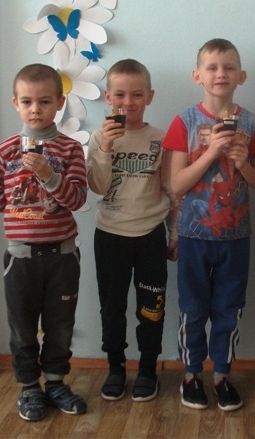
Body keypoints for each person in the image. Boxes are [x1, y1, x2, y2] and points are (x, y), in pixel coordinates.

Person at [163, 38, 255, 411]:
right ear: (198, 76)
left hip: (235, 237)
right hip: (193, 236)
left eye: (229, 67)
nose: (220, 73)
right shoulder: (185, 122)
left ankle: (222, 375)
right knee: (193, 308)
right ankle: (191, 374)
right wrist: (210, 152)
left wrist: (242, 163)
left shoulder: (252, 124)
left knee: (229, 308)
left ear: (242, 75)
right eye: (212, 67)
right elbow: (176, 184)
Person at [0, 63, 88, 422]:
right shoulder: (5, 150)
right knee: (22, 326)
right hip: (21, 257)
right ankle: (29, 387)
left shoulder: (71, 149)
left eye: (44, 101)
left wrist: (48, 174)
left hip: (62, 256)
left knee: (60, 325)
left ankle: (56, 384)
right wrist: (24, 213)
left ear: (59, 103)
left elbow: (77, 199)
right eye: (27, 102)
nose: (35, 109)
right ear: (16, 103)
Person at [86, 59, 178, 403]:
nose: (128, 102)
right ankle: (115, 368)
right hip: (110, 235)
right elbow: (97, 186)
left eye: (137, 94)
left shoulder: (161, 139)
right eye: (121, 95)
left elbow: (171, 191)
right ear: (108, 97)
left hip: (151, 234)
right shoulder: (100, 137)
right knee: (111, 308)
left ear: (149, 97)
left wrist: (174, 233)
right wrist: (106, 149)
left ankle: (149, 369)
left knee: (151, 308)